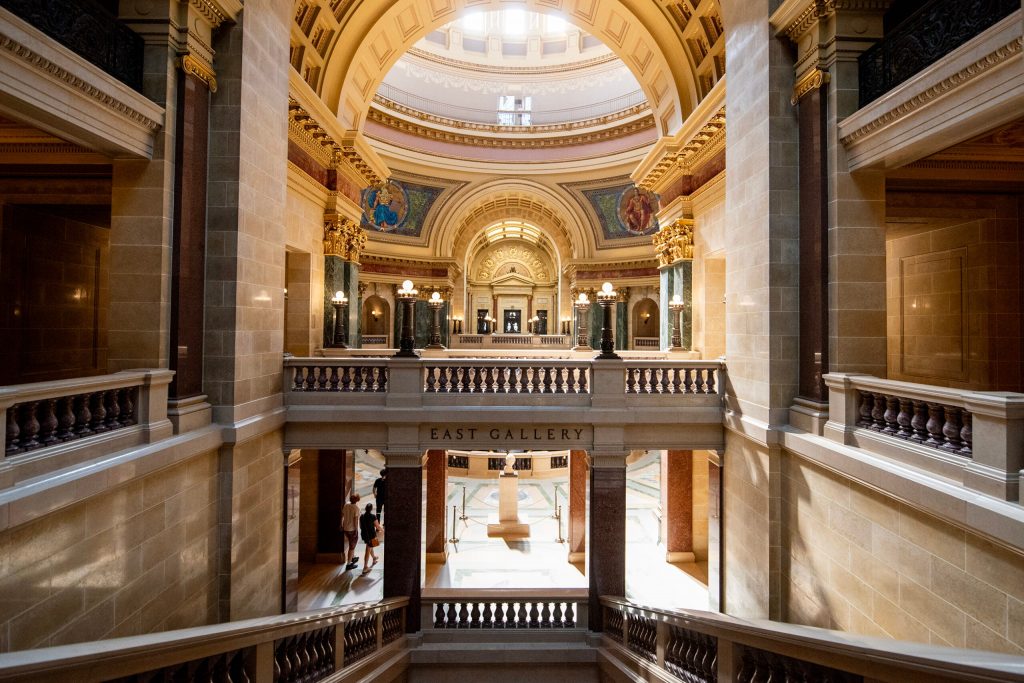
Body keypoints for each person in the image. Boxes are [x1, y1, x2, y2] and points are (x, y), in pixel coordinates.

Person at [359, 502, 383, 575]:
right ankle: (365, 567)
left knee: (371, 546)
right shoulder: (373, 516)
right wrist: (383, 531)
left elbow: (360, 527)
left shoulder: (362, 516)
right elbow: (377, 526)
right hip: (371, 535)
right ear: (371, 509)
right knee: (368, 550)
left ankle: (374, 558)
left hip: (365, 535)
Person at [340, 492, 361, 570]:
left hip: (345, 528)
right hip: (352, 529)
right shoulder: (356, 508)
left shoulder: (346, 505)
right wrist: (356, 530)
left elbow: (342, 516)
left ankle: (353, 557)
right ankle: (349, 564)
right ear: (357, 500)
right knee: (352, 547)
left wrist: (341, 525)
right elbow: (355, 520)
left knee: (351, 543)